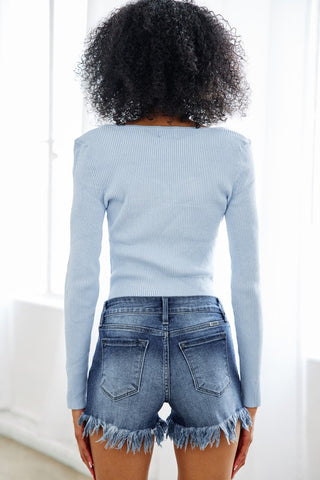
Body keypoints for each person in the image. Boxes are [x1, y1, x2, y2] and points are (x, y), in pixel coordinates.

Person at [64, 1, 263, 479]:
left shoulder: (96, 149)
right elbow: (248, 284)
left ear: (117, 65)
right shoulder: (231, 152)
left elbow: (82, 280)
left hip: (123, 340)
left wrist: (76, 396)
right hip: (207, 344)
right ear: (209, 66)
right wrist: (250, 398)